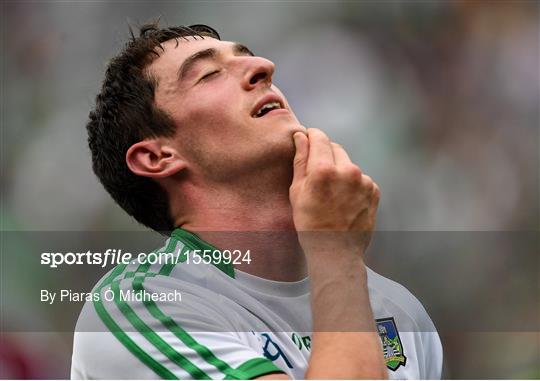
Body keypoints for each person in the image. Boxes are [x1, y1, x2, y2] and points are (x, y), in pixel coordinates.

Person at [71, 23, 442, 379]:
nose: (264, 67)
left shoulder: (400, 313)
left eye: (245, 56)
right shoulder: (140, 306)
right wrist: (336, 250)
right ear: (158, 157)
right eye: (209, 74)